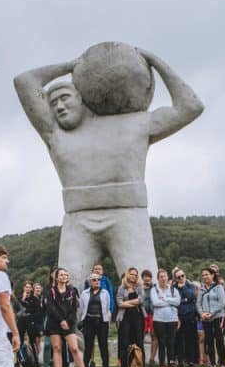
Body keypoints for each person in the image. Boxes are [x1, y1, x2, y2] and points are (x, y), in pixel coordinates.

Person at [14, 48, 204, 290]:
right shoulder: (55, 133)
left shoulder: (135, 123)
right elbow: (24, 81)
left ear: (83, 97)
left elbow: (191, 107)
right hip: (78, 219)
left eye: (65, 98)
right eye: (54, 102)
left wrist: (156, 62)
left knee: (146, 288)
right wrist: (74, 66)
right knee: (66, 290)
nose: (59, 107)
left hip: (128, 213)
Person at [45, 268, 90, 367]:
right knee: (57, 348)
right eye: (61, 274)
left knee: (74, 348)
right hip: (54, 323)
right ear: (56, 277)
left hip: (69, 323)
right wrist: (61, 320)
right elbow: (50, 308)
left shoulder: (72, 291)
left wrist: (67, 321)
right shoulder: (51, 291)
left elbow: (74, 309)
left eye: (66, 274)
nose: (64, 276)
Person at [116, 267, 147, 367]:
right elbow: (119, 303)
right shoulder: (121, 287)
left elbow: (141, 300)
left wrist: (127, 302)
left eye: (135, 274)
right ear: (127, 275)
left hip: (138, 317)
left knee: (139, 342)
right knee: (124, 343)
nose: (133, 276)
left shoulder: (139, 287)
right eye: (131, 274)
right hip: (125, 318)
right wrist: (133, 303)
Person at [80, 273, 112, 367]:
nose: (97, 281)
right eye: (94, 280)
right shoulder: (84, 293)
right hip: (89, 322)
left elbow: (107, 307)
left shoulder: (105, 293)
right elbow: (82, 308)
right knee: (88, 346)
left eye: (98, 279)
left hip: (101, 322)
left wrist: (105, 318)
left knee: (103, 346)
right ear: (89, 282)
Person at [150, 269, 180, 367]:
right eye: (161, 277)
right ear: (158, 279)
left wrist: (165, 298)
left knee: (171, 343)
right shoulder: (154, 290)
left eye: (165, 276)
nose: (163, 278)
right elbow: (155, 303)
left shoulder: (173, 289)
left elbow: (178, 301)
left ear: (168, 277)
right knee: (161, 343)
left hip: (172, 319)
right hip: (159, 319)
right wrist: (170, 301)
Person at [198, 267, 225, 367]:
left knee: (219, 340)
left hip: (218, 317)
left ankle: (222, 363)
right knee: (209, 341)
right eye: (203, 275)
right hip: (206, 319)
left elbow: (222, 303)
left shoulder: (219, 287)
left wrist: (211, 313)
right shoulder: (201, 289)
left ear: (212, 275)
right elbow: (198, 303)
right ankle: (212, 364)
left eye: (207, 274)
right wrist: (202, 313)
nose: (205, 277)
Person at [173, 269, 198, 367]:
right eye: (178, 277)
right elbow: (175, 302)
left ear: (185, 275)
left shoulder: (190, 285)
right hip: (178, 317)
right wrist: (185, 300)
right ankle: (181, 362)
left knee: (190, 340)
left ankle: (191, 362)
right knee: (179, 341)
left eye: (182, 276)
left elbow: (191, 296)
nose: (181, 278)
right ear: (175, 278)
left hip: (190, 316)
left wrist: (183, 287)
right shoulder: (173, 288)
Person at [141, 270, 158, 366]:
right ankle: (141, 357)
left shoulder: (155, 288)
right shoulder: (139, 288)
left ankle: (152, 358)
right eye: (145, 276)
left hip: (153, 314)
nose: (147, 278)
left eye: (149, 276)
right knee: (141, 335)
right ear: (142, 278)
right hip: (142, 315)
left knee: (154, 335)